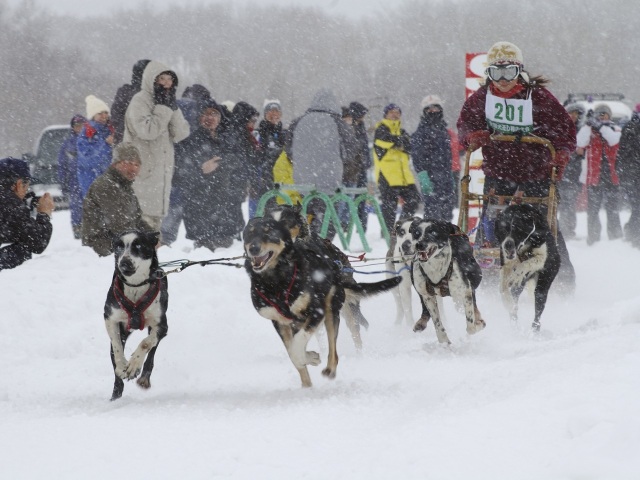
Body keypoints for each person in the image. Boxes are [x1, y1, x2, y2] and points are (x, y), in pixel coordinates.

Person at [457, 41, 576, 288]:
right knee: (493, 224)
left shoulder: (538, 97)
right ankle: (488, 280)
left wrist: (561, 152)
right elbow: (465, 124)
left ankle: (561, 280)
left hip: (536, 172)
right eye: (496, 72)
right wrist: (471, 136)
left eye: (508, 72)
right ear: (488, 74)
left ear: (519, 70)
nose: (502, 79)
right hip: (499, 171)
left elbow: (564, 128)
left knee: (542, 223)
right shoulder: (482, 98)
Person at [123, 60, 190, 232]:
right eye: (162, 78)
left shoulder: (167, 101)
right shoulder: (140, 101)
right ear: (151, 79)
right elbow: (148, 131)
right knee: (138, 236)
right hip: (143, 177)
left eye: (170, 79)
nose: (167, 83)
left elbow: (181, 133)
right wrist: (163, 108)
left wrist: (172, 108)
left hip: (161, 180)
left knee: (152, 239)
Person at [285, 88, 357, 236]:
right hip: (330, 179)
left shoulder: (298, 122)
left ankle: (307, 242)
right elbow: (351, 150)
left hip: (303, 180)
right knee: (328, 217)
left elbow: (288, 149)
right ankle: (322, 247)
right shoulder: (338, 123)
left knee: (307, 214)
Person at [178, 99, 239, 251]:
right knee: (205, 259)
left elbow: (238, 162)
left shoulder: (225, 139)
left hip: (224, 211)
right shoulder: (191, 141)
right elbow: (181, 175)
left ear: (219, 119)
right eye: (206, 114)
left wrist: (223, 164)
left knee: (226, 257)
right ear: (199, 117)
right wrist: (201, 170)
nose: (210, 117)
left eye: (214, 114)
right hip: (201, 210)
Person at [161, 83, 214, 245]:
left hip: (174, 172)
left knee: (167, 227)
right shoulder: (197, 111)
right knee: (200, 230)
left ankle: (161, 246)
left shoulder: (173, 107)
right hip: (192, 176)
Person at [81, 143, 153, 257]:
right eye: (128, 163)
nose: (133, 168)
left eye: (137, 164)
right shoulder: (105, 186)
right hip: (102, 249)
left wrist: (154, 236)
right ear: (116, 164)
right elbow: (119, 225)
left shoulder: (125, 186)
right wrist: (143, 242)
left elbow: (137, 220)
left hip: (120, 245)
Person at [577, 103, 623, 245]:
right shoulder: (591, 131)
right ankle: (593, 237)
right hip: (594, 178)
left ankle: (615, 237)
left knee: (613, 209)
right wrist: (588, 125)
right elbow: (579, 142)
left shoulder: (615, 129)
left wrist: (600, 126)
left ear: (610, 116)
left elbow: (613, 140)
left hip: (612, 177)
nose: (602, 117)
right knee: (593, 210)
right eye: (599, 114)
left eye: (605, 114)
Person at [373, 103, 420, 235]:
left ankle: (400, 228)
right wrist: (399, 142)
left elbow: (410, 146)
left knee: (414, 200)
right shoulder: (381, 129)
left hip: (405, 176)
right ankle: (387, 233)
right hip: (387, 175)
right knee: (389, 206)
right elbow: (384, 141)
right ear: (386, 115)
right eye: (392, 112)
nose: (395, 115)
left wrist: (398, 142)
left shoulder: (403, 131)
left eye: (397, 112)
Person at [0, 158, 54, 271]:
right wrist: (44, 213)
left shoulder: (6, 201)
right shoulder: (10, 204)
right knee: (22, 251)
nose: (26, 191)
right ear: (19, 184)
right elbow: (38, 243)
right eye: (27, 187)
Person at [411, 95, 457, 221]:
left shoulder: (444, 131)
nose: (433, 112)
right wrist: (422, 175)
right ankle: (431, 239)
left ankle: (445, 238)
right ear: (424, 112)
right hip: (430, 178)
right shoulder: (420, 132)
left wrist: (450, 174)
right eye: (429, 109)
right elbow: (417, 155)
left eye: (435, 108)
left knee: (447, 213)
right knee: (432, 213)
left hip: (445, 176)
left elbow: (448, 155)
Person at [226, 101, 261, 229]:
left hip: (238, 183)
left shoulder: (245, 136)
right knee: (234, 217)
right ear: (243, 119)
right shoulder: (236, 136)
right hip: (232, 185)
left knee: (237, 218)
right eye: (252, 120)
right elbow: (241, 162)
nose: (254, 124)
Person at [76, 95, 115, 200]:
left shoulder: (112, 130)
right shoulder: (86, 134)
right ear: (93, 116)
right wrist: (106, 145)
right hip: (91, 183)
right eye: (100, 113)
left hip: (109, 182)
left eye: (106, 112)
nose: (104, 116)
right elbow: (88, 159)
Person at [558, 103, 586, 239]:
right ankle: (563, 230)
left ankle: (569, 229)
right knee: (563, 203)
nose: (573, 117)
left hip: (574, 173)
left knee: (570, 203)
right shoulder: (560, 129)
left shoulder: (581, 130)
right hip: (563, 172)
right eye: (571, 114)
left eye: (576, 115)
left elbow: (582, 150)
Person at [255, 99, 286, 217]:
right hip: (264, 180)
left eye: (277, 112)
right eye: (270, 112)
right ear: (265, 114)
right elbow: (258, 156)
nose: (274, 115)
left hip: (282, 180)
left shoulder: (285, 134)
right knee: (264, 214)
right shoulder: (259, 133)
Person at [57, 114, 86, 239]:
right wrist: (63, 181)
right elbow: (62, 164)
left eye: (82, 125)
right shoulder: (68, 144)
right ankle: (77, 228)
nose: (79, 128)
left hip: (88, 179)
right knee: (76, 206)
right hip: (74, 180)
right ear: (73, 127)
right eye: (77, 125)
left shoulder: (90, 140)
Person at [111, 59, 151, 145]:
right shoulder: (150, 94)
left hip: (126, 141)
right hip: (138, 142)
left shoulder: (125, 92)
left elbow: (115, 117)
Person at [617, 103, 640, 248]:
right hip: (632, 173)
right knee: (637, 205)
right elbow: (624, 152)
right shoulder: (631, 128)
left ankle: (632, 231)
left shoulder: (629, 127)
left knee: (636, 205)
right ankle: (634, 234)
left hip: (630, 172)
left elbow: (622, 153)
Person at [345, 101, 371, 230]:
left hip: (361, 167)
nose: (362, 118)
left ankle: (361, 225)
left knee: (361, 197)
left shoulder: (361, 126)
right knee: (350, 197)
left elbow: (364, 147)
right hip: (351, 169)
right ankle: (349, 225)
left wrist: (366, 161)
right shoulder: (349, 127)